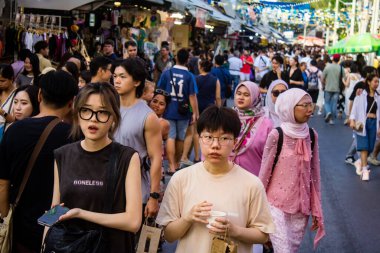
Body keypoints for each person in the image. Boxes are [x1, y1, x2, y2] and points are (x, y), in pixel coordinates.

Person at [156, 105, 275, 253]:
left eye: (224, 138)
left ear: (235, 142)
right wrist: (188, 218)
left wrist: (234, 231)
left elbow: (263, 234)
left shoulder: (251, 184)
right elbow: (169, 235)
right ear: (199, 139)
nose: (215, 145)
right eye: (208, 137)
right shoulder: (181, 179)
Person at [46, 82, 142, 252]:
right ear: (77, 113)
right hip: (70, 247)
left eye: (103, 112)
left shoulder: (127, 157)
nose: (93, 118)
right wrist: (44, 243)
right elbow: (54, 210)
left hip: (111, 246)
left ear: (113, 117)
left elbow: (133, 222)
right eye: (86, 110)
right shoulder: (62, 155)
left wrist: (80, 213)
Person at [0, 70, 78, 252]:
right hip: (58, 225)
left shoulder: (14, 130)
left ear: (40, 95)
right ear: (71, 101)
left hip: (22, 226)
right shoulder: (74, 136)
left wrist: (5, 215)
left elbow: (3, 183)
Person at [259, 88, 325, 252]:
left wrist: (316, 208)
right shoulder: (277, 135)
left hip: (301, 209)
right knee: (284, 250)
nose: (310, 110)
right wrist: (256, 208)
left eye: (311, 105)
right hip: (276, 206)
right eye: (305, 105)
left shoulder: (311, 134)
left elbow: (315, 174)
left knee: (291, 249)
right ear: (289, 107)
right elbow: (264, 173)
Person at [112, 58, 162, 238]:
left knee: (128, 241)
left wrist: (154, 196)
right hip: (106, 184)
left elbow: (156, 158)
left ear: (137, 81)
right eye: (115, 76)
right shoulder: (107, 107)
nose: (116, 80)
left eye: (122, 77)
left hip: (135, 188)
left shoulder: (148, 116)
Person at [157, 48, 199, 174]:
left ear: (176, 58)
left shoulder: (167, 73)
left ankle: (171, 166)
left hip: (169, 110)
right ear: (187, 60)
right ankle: (177, 162)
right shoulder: (190, 76)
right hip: (184, 112)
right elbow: (192, 97)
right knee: (180, 138)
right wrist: (194, 112)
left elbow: (159, 91)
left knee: (170, 137)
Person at [230, 81, 273, 176]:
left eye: (246, 95)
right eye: (239, 93)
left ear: (255, 97)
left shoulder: (266, 124)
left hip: (252, 177)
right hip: (226, 176)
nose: (241, 97)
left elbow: (270, 156)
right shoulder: (227, 117)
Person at [349, 74, 380, 181]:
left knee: (370, 147)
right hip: (363, 123)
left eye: (378, 82)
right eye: (375, 81)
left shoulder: (378, 96)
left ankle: (359, 162)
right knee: (364, 147)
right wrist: (352, 120)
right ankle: (365, 170)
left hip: (374, 123)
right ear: (369, 82)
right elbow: (354, 109)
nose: (377, 84)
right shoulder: (361, 94)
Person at [322, 54, 345, 125]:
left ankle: (328, 112)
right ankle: (331, 120)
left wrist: (324, 84)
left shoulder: (327, 67)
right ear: (339, 59)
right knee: (334, 104)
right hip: (337, 88)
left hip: (328, 87)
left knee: (327, 102)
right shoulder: (341, 68)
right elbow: (343, 78)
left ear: (332, 59)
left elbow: (323, 78)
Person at [0, 64, 17, 140]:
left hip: (6, 134)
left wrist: (2, 112)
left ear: (11, 79)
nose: (0, 83)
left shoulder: (18, 95)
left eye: (3, 81)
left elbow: (13, 120)